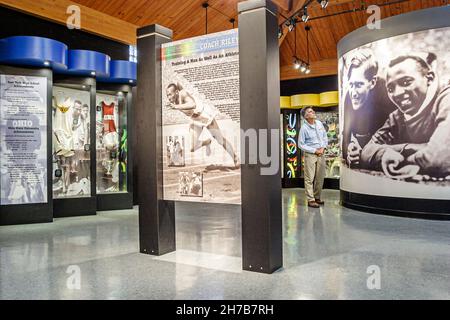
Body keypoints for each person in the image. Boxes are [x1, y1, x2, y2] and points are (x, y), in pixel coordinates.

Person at [361, 52, 450, 178]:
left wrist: (397, 159)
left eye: (406, 82)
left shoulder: (446, 99)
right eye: (391, 89)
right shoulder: (397, 117)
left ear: (429, 78)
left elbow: (436, 159)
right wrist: (410, 148)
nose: (397, 93)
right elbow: (366, 151)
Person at [342, 48, 396, 168]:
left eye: (359, 85)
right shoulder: (348, 96)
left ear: (372, 82)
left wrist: (365, 154)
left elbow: (399, 137)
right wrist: (350, 151)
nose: (353, 93)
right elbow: (345, 135)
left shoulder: (388, 93)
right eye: (351, 84)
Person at [166, 83, 239, 168]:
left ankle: (235, 158)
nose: (168, 97)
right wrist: (176, 105)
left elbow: (193, 104)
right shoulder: (175, 100)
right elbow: (178, 85)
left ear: (176, 92)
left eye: (170, 94)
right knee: (192, 147)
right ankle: (207, 142)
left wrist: (176, 107)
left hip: (204, 115)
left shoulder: (183, 94)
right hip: (195, 119)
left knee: (220, 140)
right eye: (167, 95)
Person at [299, 107, 328, 208]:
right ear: (306, 116)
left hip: (321, 153)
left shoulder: (319, 124)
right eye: (310, 112)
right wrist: (315, 150)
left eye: (313, 111)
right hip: (311, 155)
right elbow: (301, 144)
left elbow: (325, 136)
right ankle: (311, 200)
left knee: (320, 177)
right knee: (309, 178)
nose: (313, 112)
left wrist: (323, 148)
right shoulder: (304, 128)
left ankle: (317, 197)